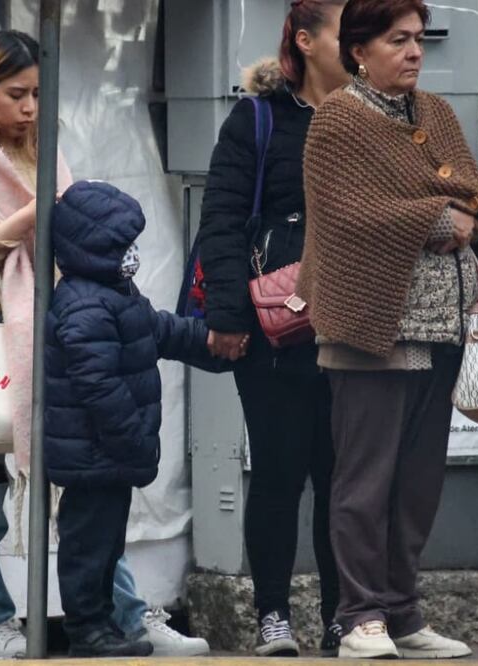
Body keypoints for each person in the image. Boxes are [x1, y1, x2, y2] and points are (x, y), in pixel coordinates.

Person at [0, 29, 210, 659]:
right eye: (16, 95)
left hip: (56, 329)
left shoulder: (44, 147)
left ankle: (126, 615)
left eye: (37, 95)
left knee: (90, 484)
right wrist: (27, 221)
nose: (29, 108)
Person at [296, 0, 478, 658]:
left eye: (419, 38)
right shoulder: (336, 119)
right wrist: (439, 214)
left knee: (416, 484)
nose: (414, 51)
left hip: (444, 326)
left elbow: (474, 191)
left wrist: (452, 205)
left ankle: (404, 614)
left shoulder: (436, 114)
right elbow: (350, 211)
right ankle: (360, 618)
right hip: (370, 325)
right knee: (364, 482)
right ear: (358, 50)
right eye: (398, 40)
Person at [193, 0, 347, 656]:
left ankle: (349, 616)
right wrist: (228, 321)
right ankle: (273, 617)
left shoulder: (379, 117)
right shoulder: (256, 118)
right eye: (353, 30)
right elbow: (222, 220)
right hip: (273, 333)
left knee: (347, 481)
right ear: (306, 40)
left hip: (358, 328)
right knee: (279, 474)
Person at [47, 181, 224, 657]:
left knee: (106, 545)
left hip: (108, 452)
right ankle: (87, 629)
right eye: (121, 245)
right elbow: (98, 386)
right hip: (95, 450)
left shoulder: (114, 293)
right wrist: (131, 439)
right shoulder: (85, 304)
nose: (132, 254)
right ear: (94, 249)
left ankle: (102, 622)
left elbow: (156, 329)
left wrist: (212, 343)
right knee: (88, 546)